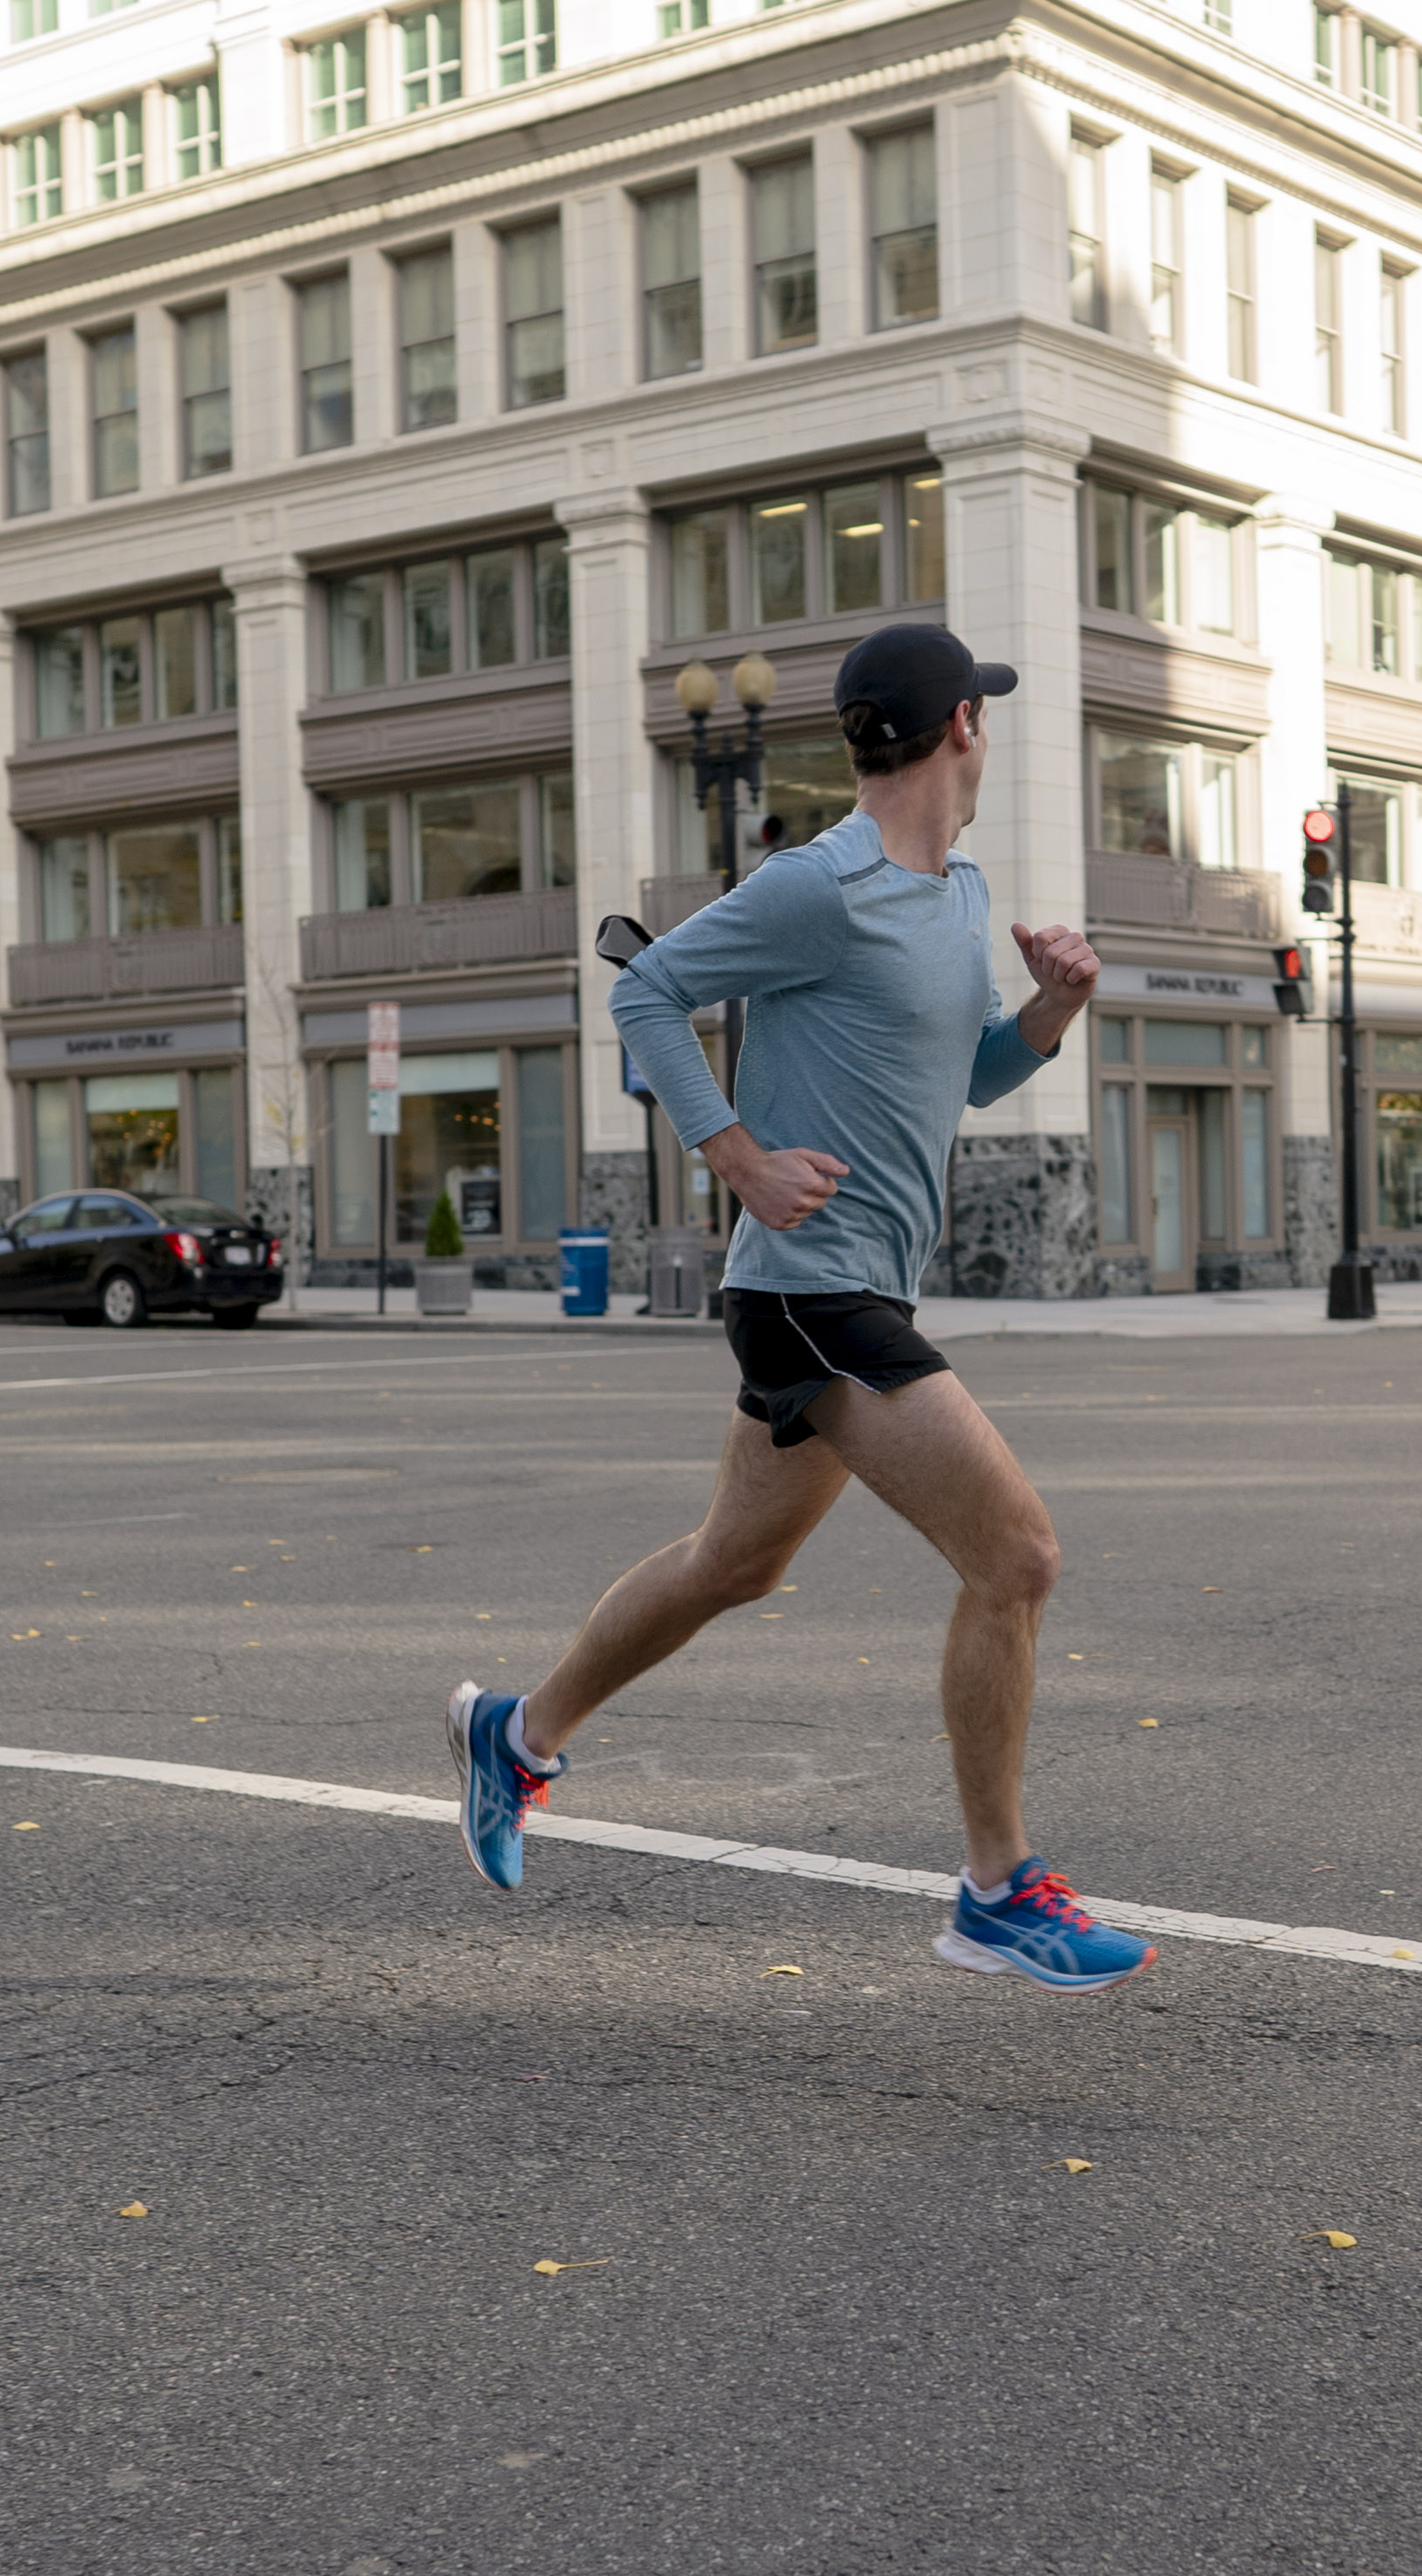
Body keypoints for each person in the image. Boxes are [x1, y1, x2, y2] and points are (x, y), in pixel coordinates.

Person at [443, 624, 1152, 1996]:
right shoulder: (817, 884)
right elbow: (648, 990)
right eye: (985, 716)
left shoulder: (958, 895)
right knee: (1018, 1558)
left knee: (733, 1562)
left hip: (858, 1280)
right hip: (812, 1289)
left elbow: (973, 1082)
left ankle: (514, 1737)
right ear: (961, 729)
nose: (987, 735)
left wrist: (1054, 1009)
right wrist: (738, 1157)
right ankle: (1000, 1890)